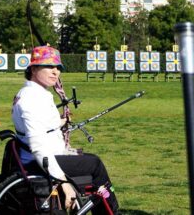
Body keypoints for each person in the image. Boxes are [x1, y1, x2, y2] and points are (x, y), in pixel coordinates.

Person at [12, 46, 119, 214]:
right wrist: (63, 182)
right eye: (49, 66)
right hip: (41, 162)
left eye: (58, 68)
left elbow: (42, 124)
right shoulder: (31, 99)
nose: (55, 72)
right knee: (95, 164)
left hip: (45, 156)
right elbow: (38, 146)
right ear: (33, 69)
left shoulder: (34, 93)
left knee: (90, 161)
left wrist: (61, 121)